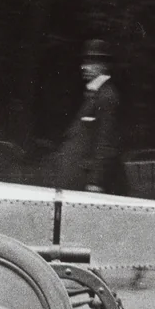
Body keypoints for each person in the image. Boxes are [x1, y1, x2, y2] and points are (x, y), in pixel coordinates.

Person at [60, 39, 123, 194]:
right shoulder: (94, 93)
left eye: (91, 62)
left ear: (103, 66)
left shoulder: (107, 96)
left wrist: (96, 181)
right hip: (77, 176)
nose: (84, 67)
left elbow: (106, 142)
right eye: (85, 62)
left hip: (89, 181)